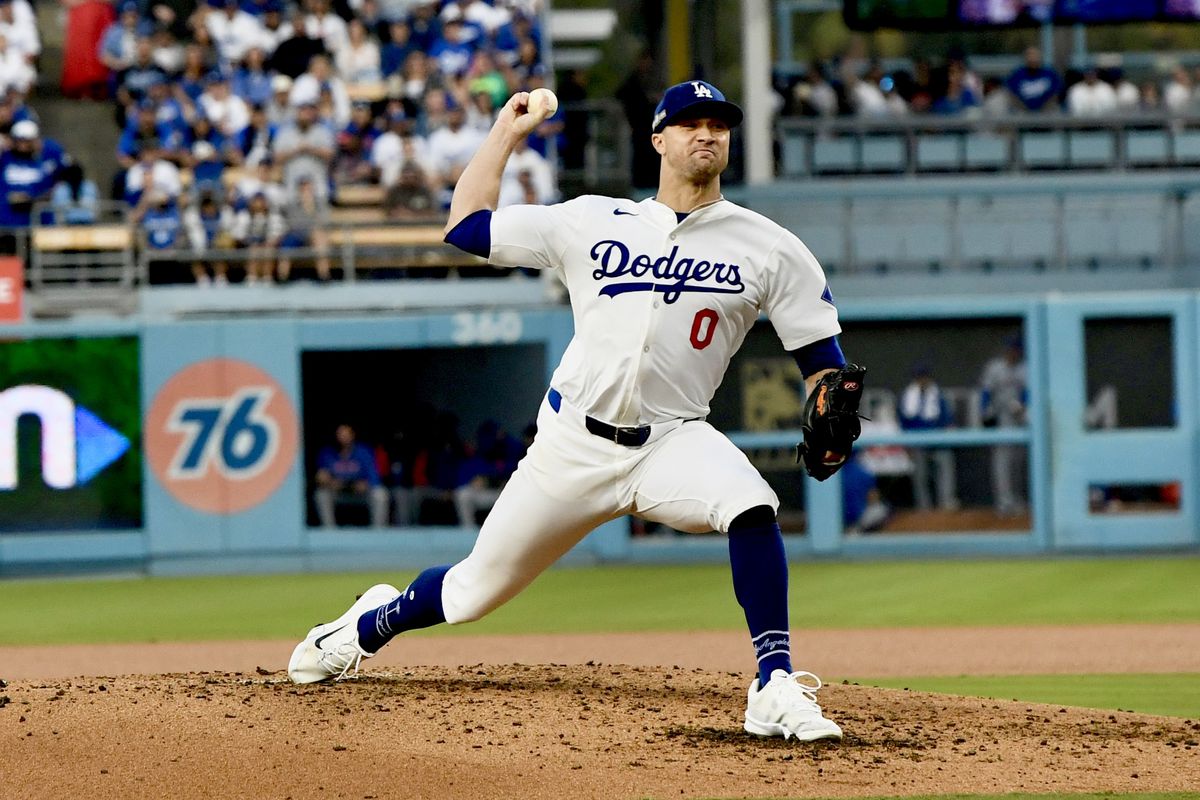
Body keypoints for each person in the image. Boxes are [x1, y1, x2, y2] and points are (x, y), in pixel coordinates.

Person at [288, 80, 864, 742]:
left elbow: (822, 357)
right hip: (572, 444)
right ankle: (364, 627)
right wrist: (508, 130)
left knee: (749, 504)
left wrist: (830, 397)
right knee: (473, 592)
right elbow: (465, 226)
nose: (706, 134)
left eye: (718, 124)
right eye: (688, 123)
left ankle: (774, 683)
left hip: (671, 442)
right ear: (657, 140)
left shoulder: (770, 246)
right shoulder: (592, 220)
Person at [897, 363, 958, 512]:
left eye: (924, 377)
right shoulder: (907, 396)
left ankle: (947, 503)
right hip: (917, 442)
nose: (922, 381)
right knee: (920, 476)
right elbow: (903, 422)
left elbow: (948, 420)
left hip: (939, 441)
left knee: (945, 468)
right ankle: (923, 507)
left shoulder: (938, 395)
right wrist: (907, 444)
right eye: (919, 378)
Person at [980, 335, 1028, 516]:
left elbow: (1027, 392)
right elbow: (986, 391)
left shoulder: (1025, 368)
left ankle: (1017, 500)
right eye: (1010, 349)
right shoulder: (995, 367)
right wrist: (984, 412)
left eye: (1015, 349)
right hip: (1001, 418)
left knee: (1018, 463)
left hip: (1020, 419)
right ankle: (1003, 503)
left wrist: (1023, 406)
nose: (1012, 353)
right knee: (1002, 463)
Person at [313, 423, 390, 528]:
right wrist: (328, 482)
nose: (342, 437)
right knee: (321, 494)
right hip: (338, 492)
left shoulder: (364, 451)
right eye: (339, 434)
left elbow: (375, 477)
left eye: (346, 434)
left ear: (352, 435)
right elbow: (320, 477)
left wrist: (366, 484)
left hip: (360, 493)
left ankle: (378, 530)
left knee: (380, 494)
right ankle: (329, 531)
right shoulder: (327, 453)